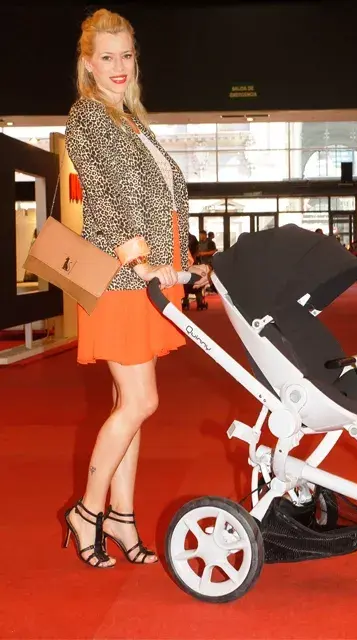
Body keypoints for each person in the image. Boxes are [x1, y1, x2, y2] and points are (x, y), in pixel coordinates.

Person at [62, 8, 210, 569]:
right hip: (125, 279)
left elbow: (162, 200)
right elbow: (102, 195)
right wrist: (141, 260)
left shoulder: (132, 122)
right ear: (88, 64)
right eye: (107, 57)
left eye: (126, 55)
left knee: (132, 403)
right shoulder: (88, 118)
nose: (119, 66)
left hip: (154, 274)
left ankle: (122, 518)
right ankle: (86, 512)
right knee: (142, 401)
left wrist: (185, 259)